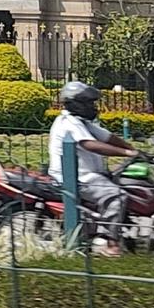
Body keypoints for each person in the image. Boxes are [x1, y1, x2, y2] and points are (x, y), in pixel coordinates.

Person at [48, 80, 136, 245]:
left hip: (90, 176)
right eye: (88, 102)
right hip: (77, 179)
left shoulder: (82, 122)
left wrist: (133, 149)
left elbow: (107, 137)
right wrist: (126, 153)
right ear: (75, 104)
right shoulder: (68, 123)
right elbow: (91, 144)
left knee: (127, 183)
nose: (92, 106)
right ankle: (110, 242)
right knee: (117, 196)